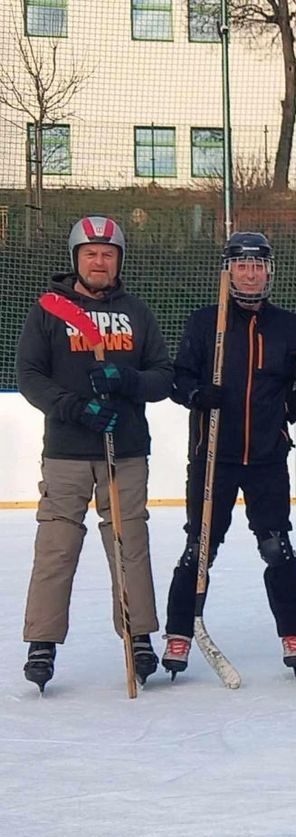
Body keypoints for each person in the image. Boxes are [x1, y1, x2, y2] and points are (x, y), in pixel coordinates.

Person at [16, 215, 174, 691]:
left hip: (123, 450)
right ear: (76, 259)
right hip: (66, 450)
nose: (99, 261)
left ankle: (138, 634)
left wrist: (126, 381)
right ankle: (41, 642)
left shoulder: (137, 312)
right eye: (90, 254)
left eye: (107, 254)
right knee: (56, 546)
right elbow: (30, 375)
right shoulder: (49, 309)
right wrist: (75, 408)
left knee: (129, 544)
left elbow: (163, 376)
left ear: (118, 260)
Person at [162, 232, 296, 679]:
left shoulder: (290, 327)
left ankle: (294, 631)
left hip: (267, 458)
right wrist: (195, 393)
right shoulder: (204, 323)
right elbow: (176, 379)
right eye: (240, 266)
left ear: (269, 271)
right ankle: (179, 633)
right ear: (227, 272)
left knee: (276, 545)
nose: (250, 273)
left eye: (257, 265)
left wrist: (289, 411)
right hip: (214, 456)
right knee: (199, 548)